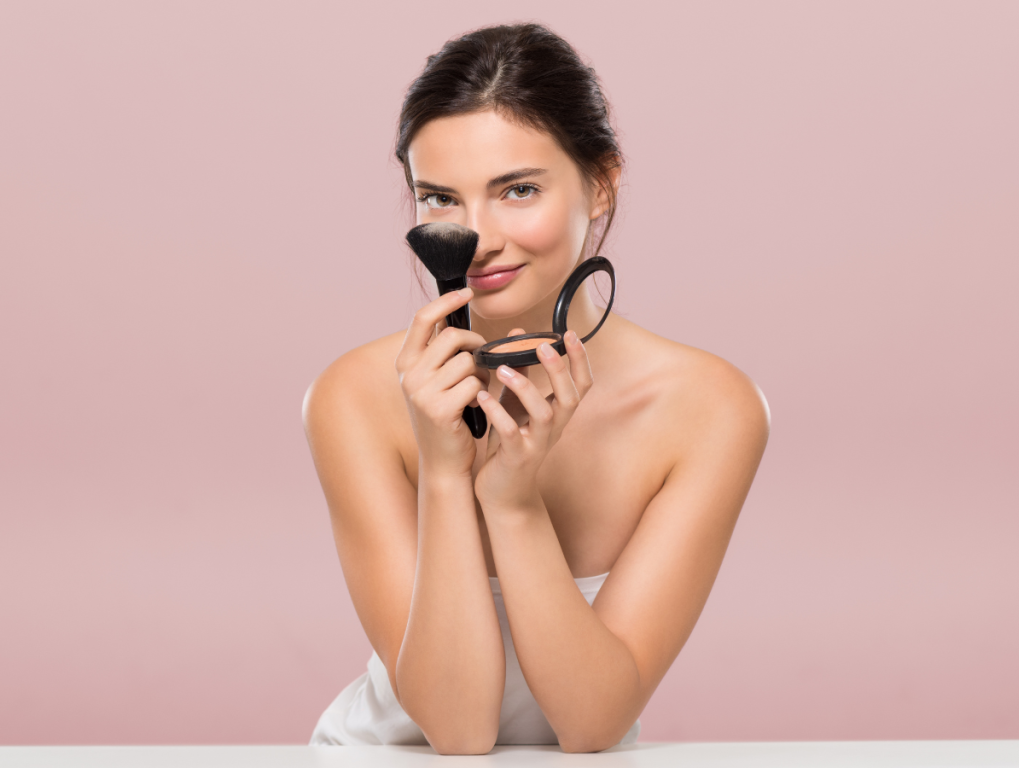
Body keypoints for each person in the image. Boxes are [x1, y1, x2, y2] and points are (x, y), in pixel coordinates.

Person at [303, 22, 770, 754]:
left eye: (517, 190)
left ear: (602, 182)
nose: (478, 238)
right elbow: (457, 732)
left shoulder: (710, 409)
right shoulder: (354, 398)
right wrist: (446, 475)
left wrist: (512, 501)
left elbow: (593, 722)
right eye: (440, 198)